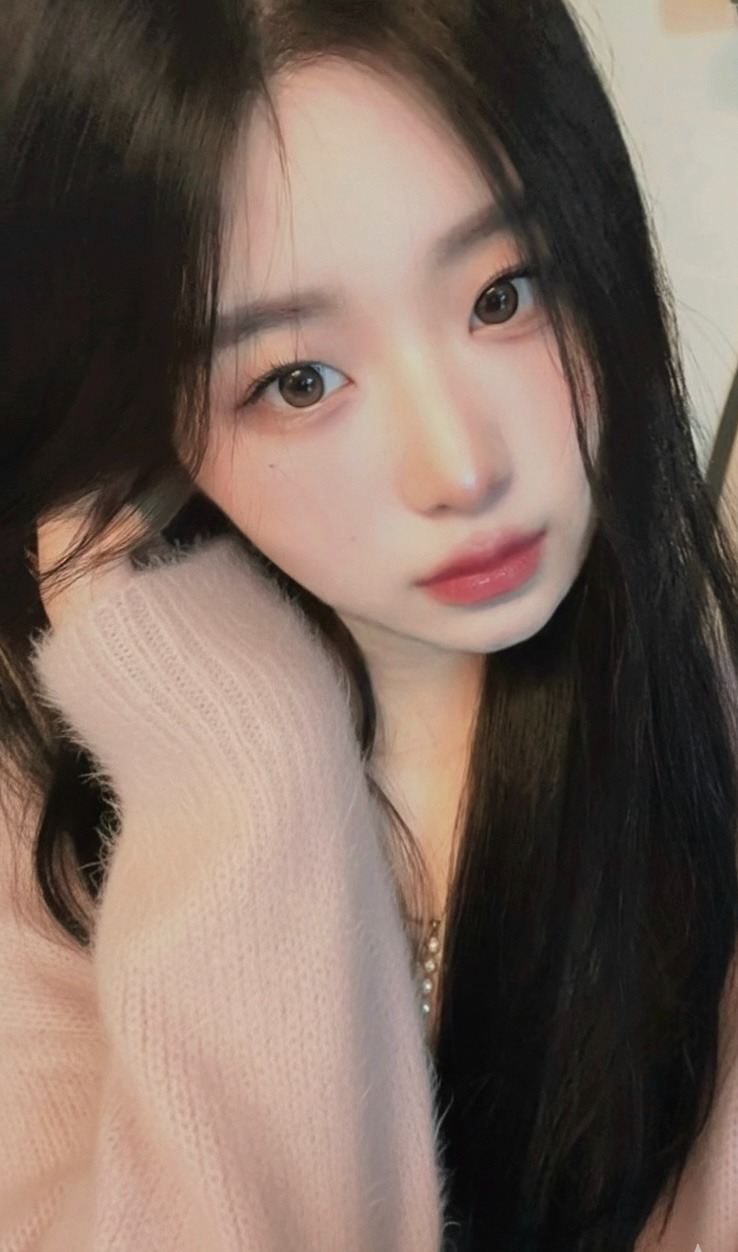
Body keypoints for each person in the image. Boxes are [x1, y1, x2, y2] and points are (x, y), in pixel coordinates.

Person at [2, 1, 738, 1249]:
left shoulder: (705, 754)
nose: (461, 466)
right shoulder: (39, 822)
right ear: (139, 426)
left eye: (504, 293)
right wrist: (241, 768)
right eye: (299, 380)